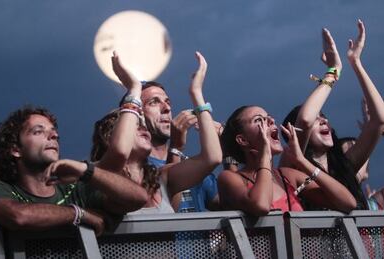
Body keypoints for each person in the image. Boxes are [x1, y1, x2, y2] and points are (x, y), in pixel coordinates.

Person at [0, 106, 148, 235]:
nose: (53, 136)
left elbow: (137, 198)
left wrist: (85, 170)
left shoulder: (76, 187)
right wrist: (78, 214)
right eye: (38, 131)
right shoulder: (0, 190)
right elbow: (19, 216)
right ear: (16, 150)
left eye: (54, 133)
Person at [90, 51, 222, 214]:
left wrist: (196, 93)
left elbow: (213, 160)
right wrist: (134, 92)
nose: (167, 108)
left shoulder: (160, 175)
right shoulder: (105, 173)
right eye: (154, 102)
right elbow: (119, 152)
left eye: (167, 102)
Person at [281, 20, 384, 210]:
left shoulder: (344, 164)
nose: (323, 119)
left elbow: (379, 121)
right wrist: (333, 72)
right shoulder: (293, 164)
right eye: (317, 118)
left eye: (324, 116)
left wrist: (356, 63)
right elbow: (305, 120)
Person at [218, 105, 356, 216]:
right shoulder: (230, 178)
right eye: (259, 120)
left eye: (269, 118)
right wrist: (265, 156)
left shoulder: (287, 176)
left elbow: (347, 203)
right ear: (242, 140)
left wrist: (301, 160)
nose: (271, 121)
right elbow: (260, 205)